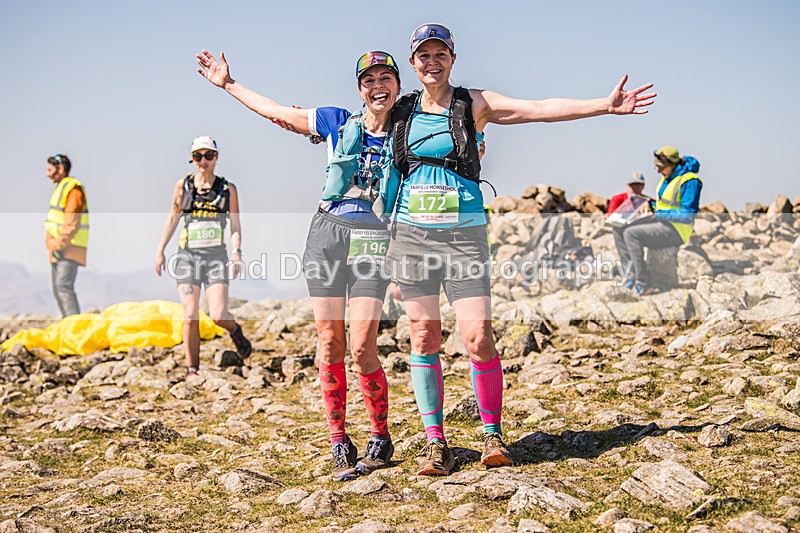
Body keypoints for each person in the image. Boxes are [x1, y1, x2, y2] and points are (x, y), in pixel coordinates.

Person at [385, 23, 656, 475]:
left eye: (440, 54)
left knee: (477, 337)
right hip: (411, 235)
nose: (432, 62)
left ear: (453, 58)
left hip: (462, 234)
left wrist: (602, 106)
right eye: (423, 56)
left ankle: (492, 434)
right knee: (422, 335)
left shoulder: (474, 103)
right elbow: (345, 130)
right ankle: (437, 443)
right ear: (412, 63)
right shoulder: (401, 110)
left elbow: (540, 108)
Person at [196, 49, 402, 481]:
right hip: (327, 234)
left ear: (397, 85)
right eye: (369, 80)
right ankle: (338, 438)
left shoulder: (411, 130)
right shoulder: (335, 122)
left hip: (371, 239)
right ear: (360, 89)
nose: (378, 86)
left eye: (386, 78)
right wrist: (228, 84)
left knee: (363, 344)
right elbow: (274, 111)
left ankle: (380, 436)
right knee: (329, 342)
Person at [155, 136, 252, 375]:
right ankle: (193, 369)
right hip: (187, 257)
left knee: (218, 315)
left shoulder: (227, 189)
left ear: (216, 158)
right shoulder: (183, 186)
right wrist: (160, 251)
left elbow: (236, 225)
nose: (203, 161)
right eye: (198, 156)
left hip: (216, 258)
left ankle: (235, 332)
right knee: (190, 315)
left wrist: (236, 253)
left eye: (208, 155)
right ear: (192, 159)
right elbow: (173, 218)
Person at [613, 145, 702, 295]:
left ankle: (643, 283)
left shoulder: (690, 181)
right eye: (656, 166)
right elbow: (665, 204)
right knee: (618, 228)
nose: (658, 171)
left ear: (671, 165)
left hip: (677, 229)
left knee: (631, 234)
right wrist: (650, 205)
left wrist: (658, 213)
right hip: (661, 220)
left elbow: (688, 215)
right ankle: (629, 276)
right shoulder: (667, 178)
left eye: (661, 167)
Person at [44, 154, 88, 318]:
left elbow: (72, 222)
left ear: (60, 168)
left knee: (63, 287)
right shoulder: (61, 188)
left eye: (50, 169)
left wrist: (59, 244)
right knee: (59, 289)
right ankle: (68, 328)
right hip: (58, 250)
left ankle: (74, 330)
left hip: (68, 248)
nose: (47, 174)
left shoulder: (72, 188)